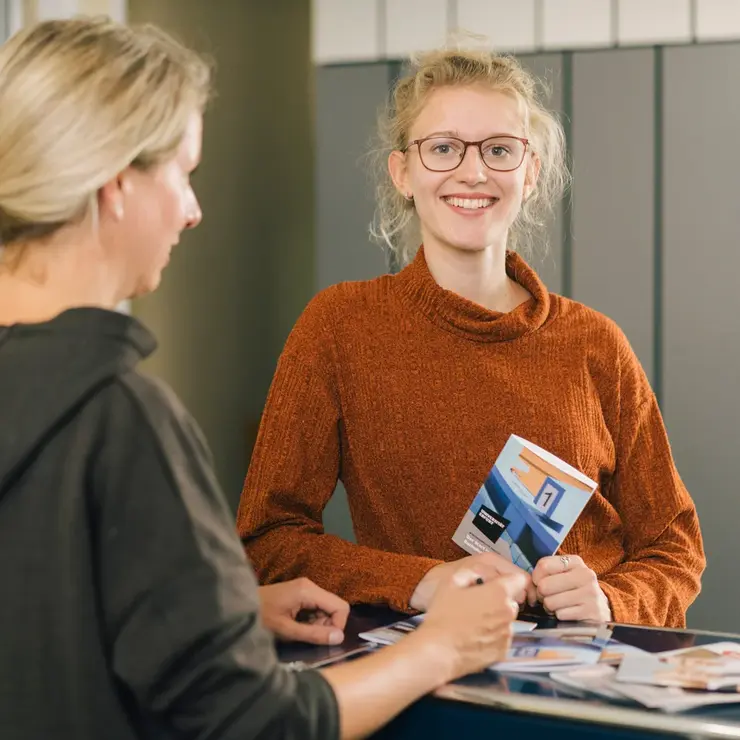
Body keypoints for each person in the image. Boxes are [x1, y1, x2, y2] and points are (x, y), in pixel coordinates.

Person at [0, 18, 527, 740]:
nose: (193, 210)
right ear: (118, 184)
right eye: (183, 174)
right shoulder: (118, 418)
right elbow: (251, 723)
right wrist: (438, 648)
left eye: (499, 149)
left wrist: (229, 611)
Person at [238, 47, 706, 628]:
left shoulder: (595, 343)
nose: (474, 171)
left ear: (529, 173)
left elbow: (675, 546)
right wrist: (421, 581)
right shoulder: (339, 327)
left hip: (594, 686)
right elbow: (269, 541)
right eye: (442, 148)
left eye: (499, 150)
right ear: (403, 172)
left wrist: (613, 600)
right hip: (429, 685)